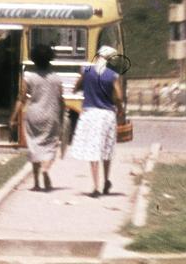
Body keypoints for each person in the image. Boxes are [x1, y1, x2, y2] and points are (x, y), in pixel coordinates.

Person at [71, 44, 125, 198]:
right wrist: (120, 109)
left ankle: (95, 187)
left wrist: (83, 89)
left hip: (90, 114)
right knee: (106, 149)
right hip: (107, 115)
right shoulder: (113, 75)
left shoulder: (86, 70)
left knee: (93, 150)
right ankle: (106, 180)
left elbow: (76, 87)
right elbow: (119, 96)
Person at [14, 43, 65, 191]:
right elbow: (61, 100)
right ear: (50, 58)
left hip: (33, 115)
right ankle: (46, 169)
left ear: (34, 59)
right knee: (50, 146)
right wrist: (62, 117)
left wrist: (13, 117)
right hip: (51, 115)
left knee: (34, 147)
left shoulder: (29, 77)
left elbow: (21, 98)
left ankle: (36, 183)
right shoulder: (56, 78)